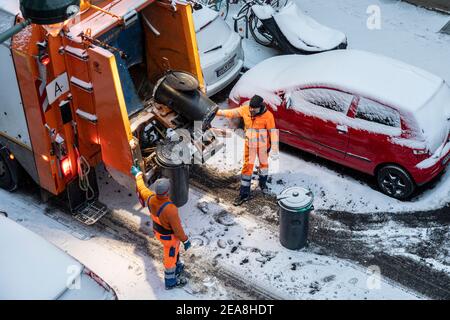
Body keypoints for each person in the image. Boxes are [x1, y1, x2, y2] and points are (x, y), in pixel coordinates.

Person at [131, 166, 191, 289]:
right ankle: (170, 282)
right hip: (169, 238)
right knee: (170, 257)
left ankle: (177, 265)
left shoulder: (151, 198)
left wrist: (137, 175)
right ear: (167, 192)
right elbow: (178, 230)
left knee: (174, 251)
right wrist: (185, 240)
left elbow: (142, 188)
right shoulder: (171, 209)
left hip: (158, 232)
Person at [216, 94, 279, 206]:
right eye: (250, 107)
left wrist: (274, 148)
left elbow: (272, 132)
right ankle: (244, 194)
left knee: (264, 166)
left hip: (263, 145)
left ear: (260, 107)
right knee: (247, 169)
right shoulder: (246, 110)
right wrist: (217, 112)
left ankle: (263, 183)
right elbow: (232, 113)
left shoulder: (268, 116)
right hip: (250, 145)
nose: (251, 110)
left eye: (254, 108)